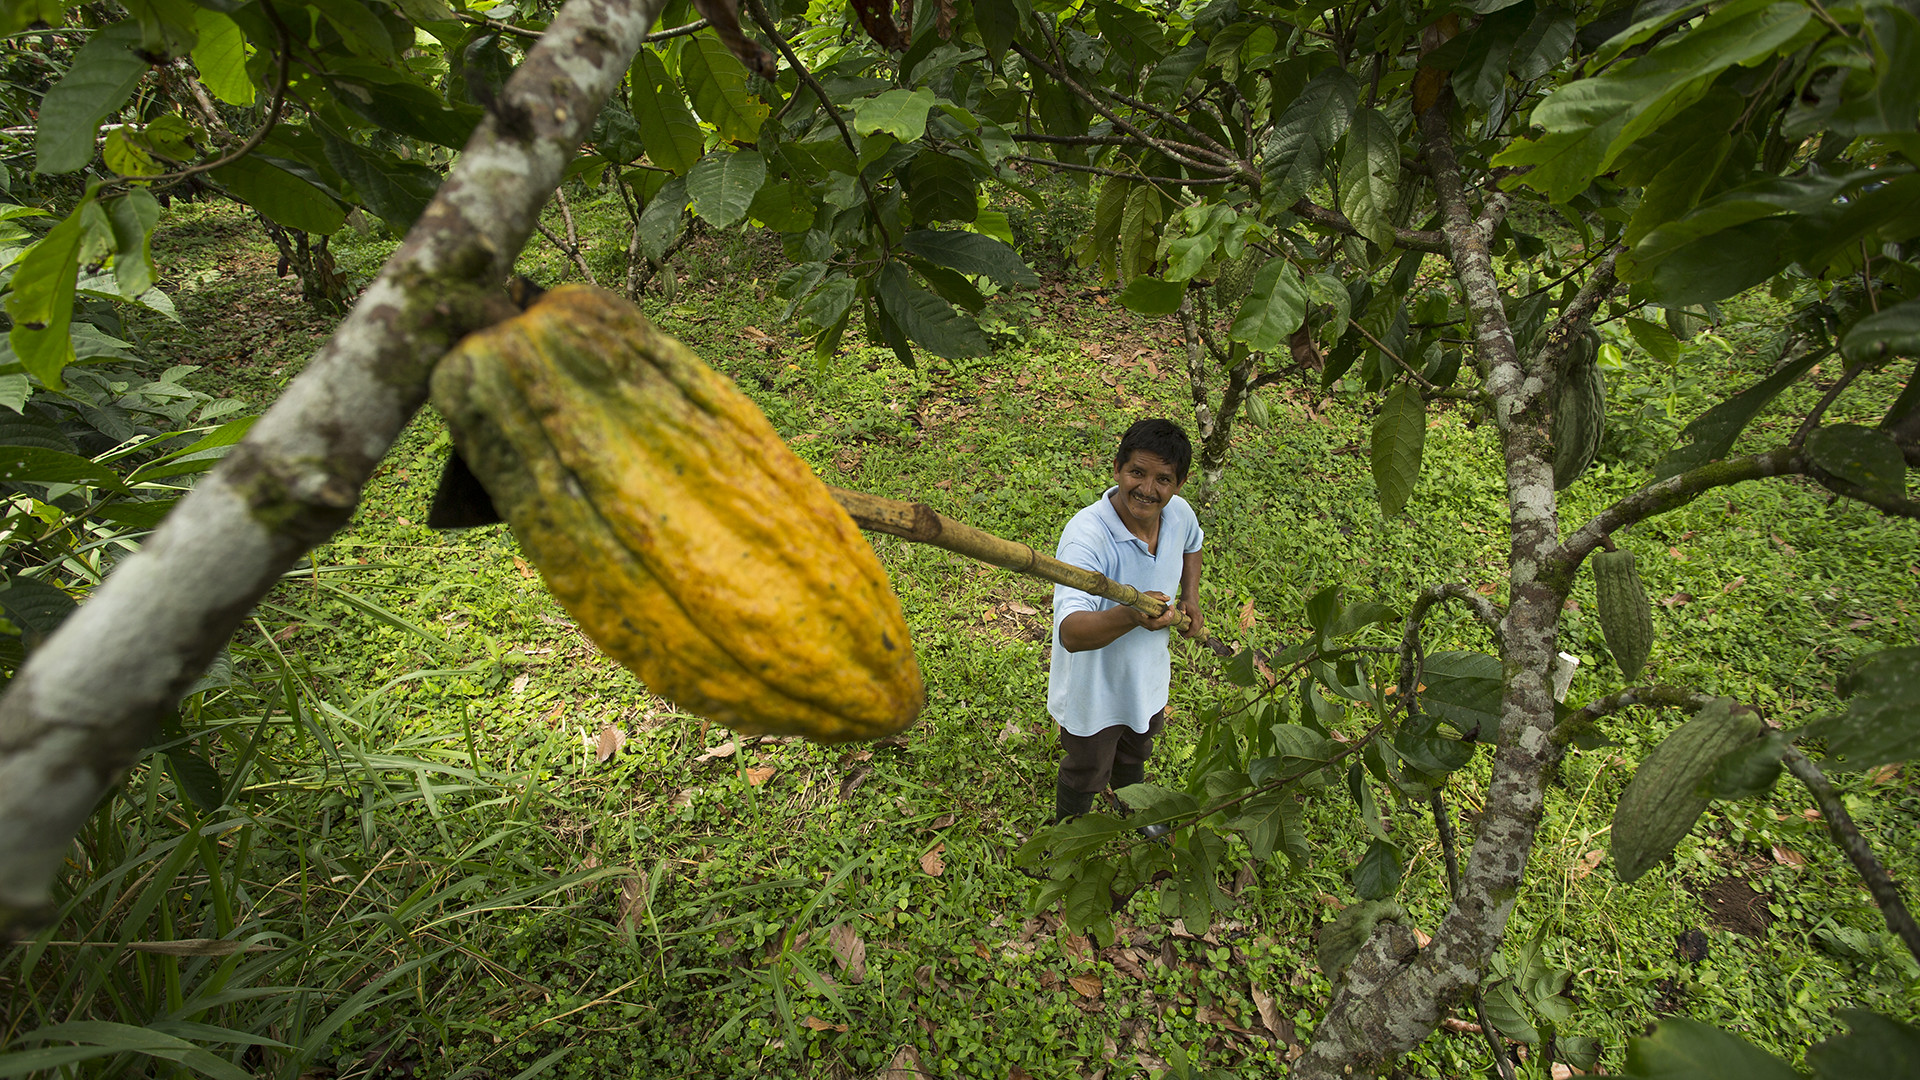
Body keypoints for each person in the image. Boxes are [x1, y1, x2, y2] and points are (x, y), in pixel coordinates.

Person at [1047, 418, 1204, 825]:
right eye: (1137, 472)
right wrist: (1131, 615)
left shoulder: (1180, 514)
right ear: (1117, 468)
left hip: (1147, 676)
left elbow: (1193, 544)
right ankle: (1068, 835)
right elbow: (1071, 633)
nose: (1148, 489)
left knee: (1137, 748)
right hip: (1093, 689)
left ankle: (1133, 808)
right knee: (1086, 767)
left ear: (1179, 484)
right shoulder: (1087, 536)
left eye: (1163, 479)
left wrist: (1190, 596)